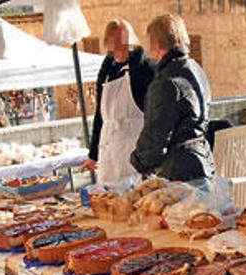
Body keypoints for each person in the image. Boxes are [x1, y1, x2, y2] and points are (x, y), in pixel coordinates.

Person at [130, 14, 214, 182]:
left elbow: (156, 135)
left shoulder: (166, 82)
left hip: (178, 172)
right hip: (203, 161)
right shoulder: (195, 69)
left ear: (158, 44)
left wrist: (137, 160)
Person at [81, 19, 155, 184]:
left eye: (124, 41)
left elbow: (155, 116)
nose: (121, 47)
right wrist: (93, 155)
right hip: (109, 149)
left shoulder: (145, 69)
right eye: (116, 42)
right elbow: (100, 115)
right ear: (108, 42)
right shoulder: (107, 69)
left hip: (134, 150)